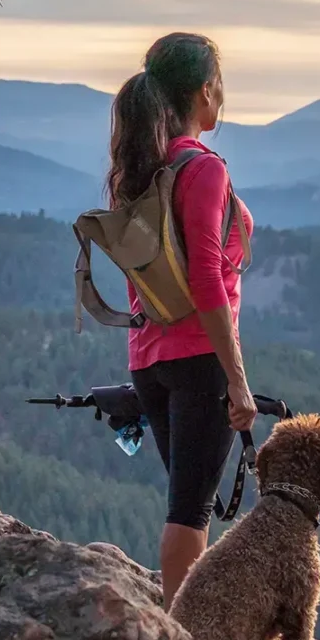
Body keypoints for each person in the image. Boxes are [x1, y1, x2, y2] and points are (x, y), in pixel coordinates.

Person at [107, 32, 255, 600]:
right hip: (199, 359)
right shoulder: (203, 170)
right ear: (202, 92)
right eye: (219, 83)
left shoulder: (137, 169)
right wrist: (237, 381)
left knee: (187, 504)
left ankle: (187, 636)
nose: (223, 95)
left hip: (149, 360)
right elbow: (207, 281)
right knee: (190, 514)